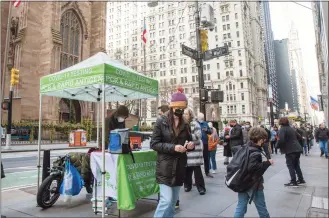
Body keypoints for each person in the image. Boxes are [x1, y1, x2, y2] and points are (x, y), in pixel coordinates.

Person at [151, 89, 194, 218]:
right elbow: (154, 144)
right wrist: (173, 147)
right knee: (166, 200)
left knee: (173, 202)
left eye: (182, 109)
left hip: (180, 166)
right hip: (165, 166)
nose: (180, 112)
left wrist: (190, 146)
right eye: (178, 109)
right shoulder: (161, 121)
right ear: (172, 107)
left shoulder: (185, 124)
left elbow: (189, 141)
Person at [234, 127, 273, 218]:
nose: (264, 141)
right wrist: (267, 163)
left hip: (242, 181)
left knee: (241, 207)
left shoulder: (246, 147)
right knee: (262, 209)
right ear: (260, 140)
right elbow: (253, 168)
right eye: (264, 139)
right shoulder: (255, 152)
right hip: (254, 184)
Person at [276, 117, 305, 187]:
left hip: (290, 150)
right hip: (297, 148)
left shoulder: (282, 129)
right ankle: (301, 179)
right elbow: (299, 136)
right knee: (296, 165)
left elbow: (281, 140)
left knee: (290, 165)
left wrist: (276, 146)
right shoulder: (291, 128)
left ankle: (293, 181)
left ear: (281, 122)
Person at [183, 108, 206, 195]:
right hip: (186, 151)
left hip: (195, 151)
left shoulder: (195, 124)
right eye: (184, 114)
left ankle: (201, 188)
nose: (184, 115)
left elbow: (198, 136)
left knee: (197, 170)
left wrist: (188, 136)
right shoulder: (182, 124)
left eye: (186, 114)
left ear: (190, 115)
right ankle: (187, 185)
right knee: (187, 170)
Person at [197, 113, 213, 178]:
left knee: (206, 158)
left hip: (205, 143)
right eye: (201, 118)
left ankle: (207, 172)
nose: (202, 119)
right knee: (197, 159)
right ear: (198, 118)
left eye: (203, 118)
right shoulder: (195, 123)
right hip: (197, 144)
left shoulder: (205, 123)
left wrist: (207, 130)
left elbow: (210, 132)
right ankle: (197, 175)